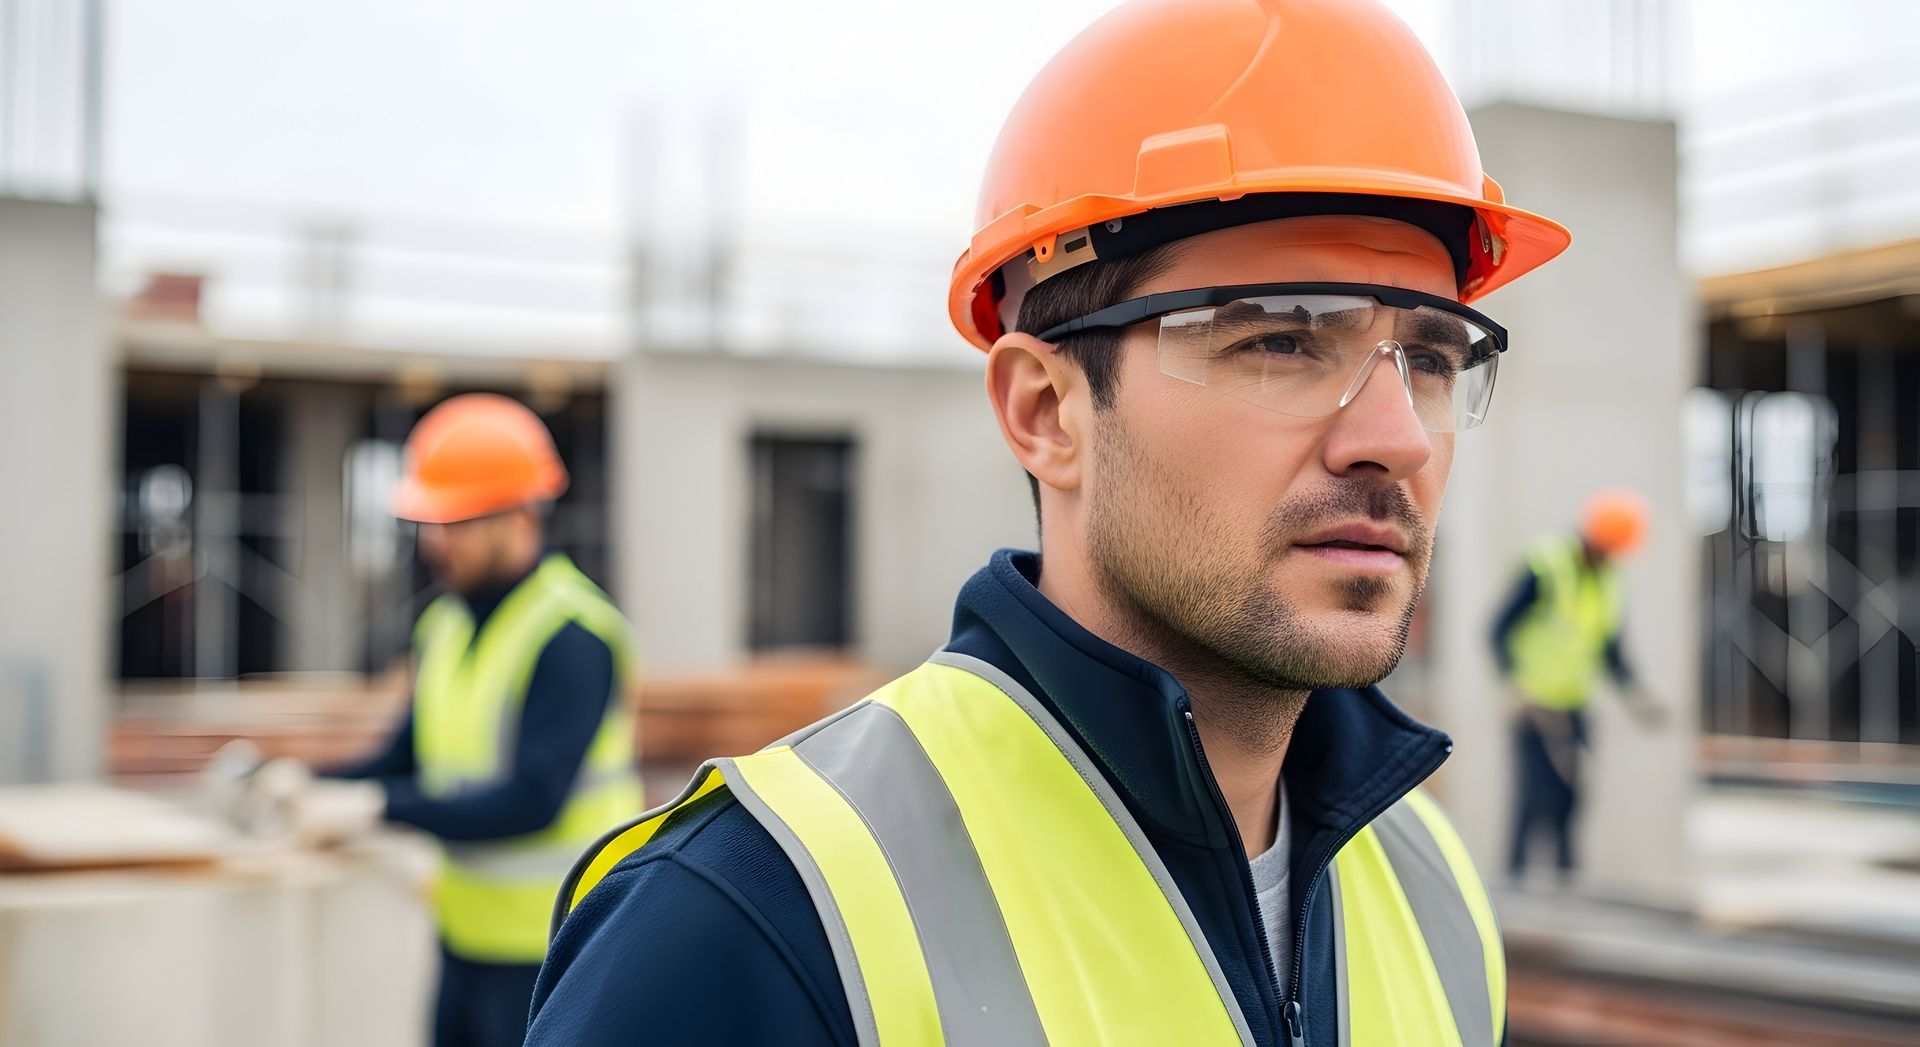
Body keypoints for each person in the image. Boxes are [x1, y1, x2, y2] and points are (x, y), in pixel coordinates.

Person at [530, 1, 1571, 1043]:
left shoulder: (1434, 889)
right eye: (1284, 341)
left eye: (1431, 358)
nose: (1399, 438)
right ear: (1046, 413)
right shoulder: (749, 923)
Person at [247, 393, 640, 1047]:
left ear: (520, 516)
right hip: (463, 937)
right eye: (429, 523)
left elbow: (533, 799)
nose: (434, 542)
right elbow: (403, 756)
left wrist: (375, 807)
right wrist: (304, 780)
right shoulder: (445, 625)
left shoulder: (573, 634)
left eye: (455, 522)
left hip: (554, 947)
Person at [1494, 490, 1663, 887]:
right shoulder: (1547, 566)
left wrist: (1636, 694)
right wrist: (1514, 682)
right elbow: (1498, 630)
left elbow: (1610, 650)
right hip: (1536, 706)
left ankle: (1566, 888)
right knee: (1532, 799)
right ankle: (1515, 888)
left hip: (1574, 706)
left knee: (1571, 800)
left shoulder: (1608, 582)